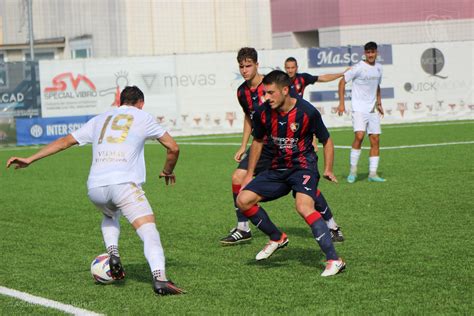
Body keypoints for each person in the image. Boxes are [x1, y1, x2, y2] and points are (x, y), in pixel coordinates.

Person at [6, 86, 185, 295]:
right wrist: (167, 170)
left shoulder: (100, 118)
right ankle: (160, 278)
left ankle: (113, 253)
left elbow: (65, 142)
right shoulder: (143, 117)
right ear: (141, 103)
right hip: (123, 184)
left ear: (119, 102)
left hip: (95, 187)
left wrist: (29, 159)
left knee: (109, 213)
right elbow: (173, 147)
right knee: (148, 230)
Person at [220, 48, 343, 245]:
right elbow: (249, 117)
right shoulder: (242, 91)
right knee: (238, 177)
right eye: (241, 66)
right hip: (262, 144)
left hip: (283, 145)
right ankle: (243, 227)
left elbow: (297, 109)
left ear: (257, 65)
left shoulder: (274, 84)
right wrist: (243, 145)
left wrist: (308, 138)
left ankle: (332, 224)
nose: (244, 70)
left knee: (302, 188)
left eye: (248, 65)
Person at [237, 70, 345, 276]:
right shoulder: (262, 112)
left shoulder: (307, 112)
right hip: (277, 169)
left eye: (270, 93)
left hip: (303, 167)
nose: (266, 98)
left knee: (303, 206)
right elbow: (258, 141)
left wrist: (328, 168)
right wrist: (249, 174)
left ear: (285, 90)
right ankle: (277, 237)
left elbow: (327, 140)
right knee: (243, 200)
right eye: (264, 93)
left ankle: (334, 259)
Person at [337, 41, 386, 183]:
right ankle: (353, 171)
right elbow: (342, 82)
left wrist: (379, 103)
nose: (370, 54)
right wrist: (341, 103)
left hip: (372, 110)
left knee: (375, 140)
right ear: (365, 53)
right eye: (368, 52)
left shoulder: (379, 68)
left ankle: (373, 174)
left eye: (373, 52)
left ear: (377, 52)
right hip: (358, 109)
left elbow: (377, 86)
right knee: (359, 136)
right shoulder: (358, 67)